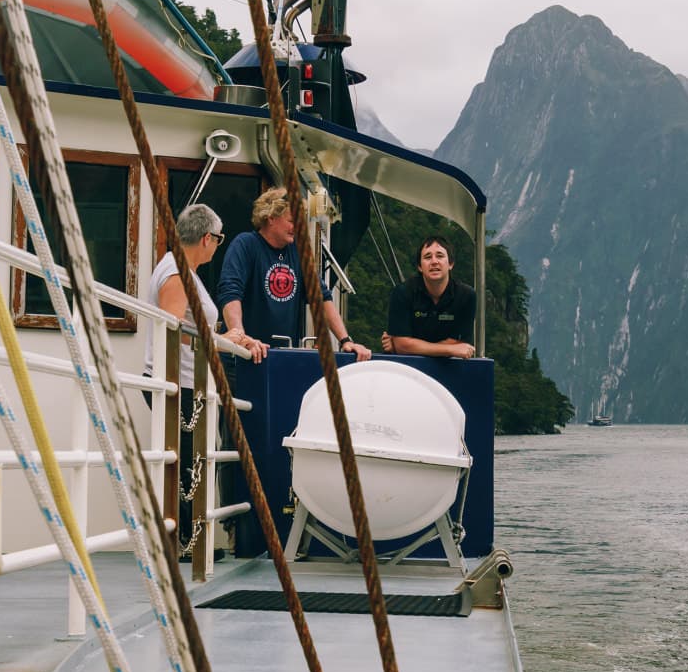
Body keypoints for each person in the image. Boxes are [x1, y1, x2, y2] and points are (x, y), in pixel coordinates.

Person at [142, 203, 229, 547]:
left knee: (188, 466)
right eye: (218, 239)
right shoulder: (178, 274)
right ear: (207, 238)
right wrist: (221, 341)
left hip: (189, 383)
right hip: (178, 384)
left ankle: (186, 542)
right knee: (185, 469)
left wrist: (224, 338)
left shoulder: (182, 271)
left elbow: (191, 326)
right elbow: (172, 328)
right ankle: (182, 545)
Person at [216, 186, 370, 361]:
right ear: (271, 217)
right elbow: (230, 292)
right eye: (291, 220)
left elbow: (321, 298)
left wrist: (345, 340)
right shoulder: (245, 245)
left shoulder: (298, 252)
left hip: (282, 358)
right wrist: (241, 338)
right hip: (243, 358)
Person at [383, 235, 478, 358]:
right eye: (428, 257)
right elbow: (402, 345)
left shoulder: (466, 296)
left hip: (449, 368)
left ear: (451, 264)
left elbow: (462, 344)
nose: (434, 262)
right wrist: (450, 349)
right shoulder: (402, 293)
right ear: (419, 267)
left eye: (440, 256)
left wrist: (409, 346)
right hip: (408, 368)